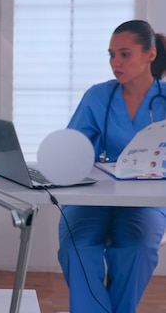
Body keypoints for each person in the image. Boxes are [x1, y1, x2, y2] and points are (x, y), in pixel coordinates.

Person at [58, 19, 166, 312]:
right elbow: (74, 149)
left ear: (150, 55)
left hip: (146, 201)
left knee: (138, 249)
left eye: (124, 54)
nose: (115, 62)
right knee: (76, 248)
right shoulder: (98, 96)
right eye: (111, 55)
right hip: (94, 196)